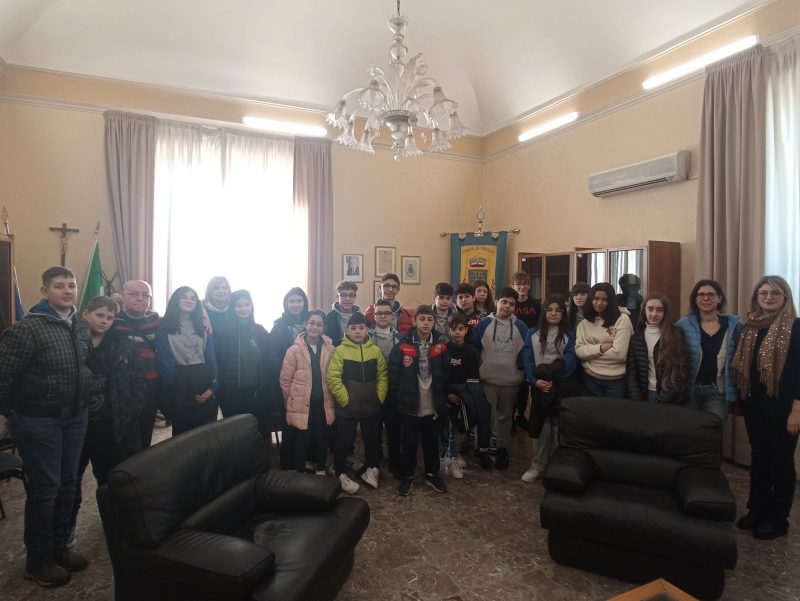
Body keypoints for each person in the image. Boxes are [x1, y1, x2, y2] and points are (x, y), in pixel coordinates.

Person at [0, 266, 91, 587]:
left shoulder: (79, 324)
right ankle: (38, 560)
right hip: (39, 421)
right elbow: (4, 377)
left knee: (69, 483)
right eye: (59, 286)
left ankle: (60, 547)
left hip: (75, 417)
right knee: (45, 490)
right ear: (44, 291)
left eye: (71, 285)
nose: (67, 291)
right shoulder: (28, 328)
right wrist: (15, 414)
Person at [69, 296, 145, 548]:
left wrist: (133, 407)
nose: (104, 321)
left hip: (112, 425)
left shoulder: (124, 345)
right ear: (86, 314)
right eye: (99, 315)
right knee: (70, 481)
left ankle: (115, 526)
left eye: (110, 318)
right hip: (77, 425)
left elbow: (138, 380)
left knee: (110, 478)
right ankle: (66, 533)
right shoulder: (72, 342)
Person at [732, 275, 800, 540]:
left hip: (785, 408)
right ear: (756, 297)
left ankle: (778, 518)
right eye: (763, 293)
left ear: (785, 297)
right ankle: (758, 509)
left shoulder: (795, 326)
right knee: (759, 456)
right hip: (755, 404)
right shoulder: (750, 325)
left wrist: (797, 410)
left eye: (775, 293)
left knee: (781, 460)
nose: (769, 297)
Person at [390, 306, 450, 496]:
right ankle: (407, 475)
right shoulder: (402, 347)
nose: (426, 323)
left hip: (433, 404)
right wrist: (400, 398)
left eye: (430, 320)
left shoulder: (441, 346)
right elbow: (394, 377)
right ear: (414, 321)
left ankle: (432, 474)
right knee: (409, 443)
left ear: (434, 323)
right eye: (422, 319)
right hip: (410, 405)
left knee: (431, 441)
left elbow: (446, 373)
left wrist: (442, 396)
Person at [327, 313, 388, 494]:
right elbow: (333, 378)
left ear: (367, 330)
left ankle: (372, 469)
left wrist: (379, 397)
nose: (358, 331)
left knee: (372, 440)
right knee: (344, 440)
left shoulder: (375, 351)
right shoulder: (340, 351)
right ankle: (338, 471)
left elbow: (383, 376)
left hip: (371, 405)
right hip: (347, 408)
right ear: (347, 330)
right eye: (353, 328)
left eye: (361, 328)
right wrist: (345, 400)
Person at [522, 295, 578, 482]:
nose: (553, 314)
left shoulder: (570, 334)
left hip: (560, 385)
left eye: (558, 310)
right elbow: (528, 359)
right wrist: (534, 380)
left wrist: (554, 380)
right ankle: (537, 465)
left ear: (564, 313)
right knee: (541, 428)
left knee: (558, 428)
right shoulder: (532, 333)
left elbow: (570, 362)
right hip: (540, 386)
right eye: (549, 310)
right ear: (544, 312)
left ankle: (555, 466)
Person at [474, 287, 529, 470]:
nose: (507, 306)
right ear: (497, 302)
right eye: (504, 302)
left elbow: (527, 350)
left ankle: (502, 449)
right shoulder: (484, 324)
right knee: (487, 415)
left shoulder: (521, 326)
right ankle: (482, 448)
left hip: (511, 381)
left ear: (515, 307)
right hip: (488, 379)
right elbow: (475, 348)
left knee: (505, 416)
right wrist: (478, 369)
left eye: (511, 304)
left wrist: (522, 367)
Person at [676, 279, 742, 425]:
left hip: (717, 393)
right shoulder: (683, 325)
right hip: (689, 392)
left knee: (712, 432)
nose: (706, 298)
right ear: (695, 299)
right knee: (687, 433)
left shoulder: (734, 326)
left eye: (711, 295)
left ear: (719, 298)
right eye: (701, 295)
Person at [156, 286, 218, 435]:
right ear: (176, 300)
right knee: (183, 440)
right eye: (184, 297)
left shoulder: (203, 325)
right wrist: (188, 392)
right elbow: (165, 366)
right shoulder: (164, 328)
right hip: (180, 392)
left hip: (205, 389)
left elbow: (211, 359)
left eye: (193, 298)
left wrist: (213, 388)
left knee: (209, 438)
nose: (189, 301)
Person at [280, 310, 335, 474]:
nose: (315, 327)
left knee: (322, 437)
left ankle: (320, 469)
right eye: (311, 323)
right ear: (305, 324)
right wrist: (290, 400)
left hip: (323, 403)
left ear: (324, 328)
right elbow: (285, 380)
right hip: (301, 403)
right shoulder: (294, 350)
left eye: (319, 324)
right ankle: (300, 472)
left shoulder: (330, 349)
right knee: (302, 437)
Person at [214, 290, 273, 435]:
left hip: (257, 394)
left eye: (247, 304)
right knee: (236, 435)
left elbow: (269, 360)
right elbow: (218, 361)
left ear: (252, 306)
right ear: (232, 308)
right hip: (232, 395)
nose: (243, 308)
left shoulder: (260, 331)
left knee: (258, 433)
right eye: (238, 305)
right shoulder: (223, 332)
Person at [113, 279, 160, 448]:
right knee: (125, 439)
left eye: (145, 295)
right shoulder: (112, 321)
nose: (140, 298)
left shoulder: (156, 319)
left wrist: (204, 316)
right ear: (123, 297)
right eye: (134, 294)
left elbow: (182, 315)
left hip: (151, 388)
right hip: (124, 391)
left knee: (145, 435)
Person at [444, 312, 493, 473]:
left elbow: (474, 377)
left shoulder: (471, 351)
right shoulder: (444, 350)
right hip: (448, 394)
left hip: (465, 393)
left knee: (465, 421)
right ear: (448, 330)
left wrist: (462, 394)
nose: (457, 332)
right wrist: (448, 394)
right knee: (449, 426)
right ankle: (449, 453)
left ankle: (460, 451)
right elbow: (440, 375)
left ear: (466, 330)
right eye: (454, 329)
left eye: (460, 329)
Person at [626, 292, 689, 403]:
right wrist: (637, 399)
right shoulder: (636, 337)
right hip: (643, 395)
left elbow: (680, 372)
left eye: (659, 310)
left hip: (669, 398)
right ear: (644, 310)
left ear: (665, 312)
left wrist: (660, 401)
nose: (654, 314)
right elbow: (631, 372)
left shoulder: (676, 335)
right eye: (650, 309)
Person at [575, 282, 633, 397]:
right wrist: (601, 348)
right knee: (592, 409)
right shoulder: (583, 324)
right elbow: (579, 352)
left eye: (605, 299)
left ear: (611, 301)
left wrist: (590, 354)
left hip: (616, 381)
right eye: (596, 298)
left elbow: (619, 355)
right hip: (590, 378)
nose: (599, 303)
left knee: (613, 410)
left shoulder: (622, 320)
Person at [369, 298, 404, 476]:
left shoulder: (401, 339)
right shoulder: (366, 336)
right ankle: (374, 461)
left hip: (393, 390)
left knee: (393, 428)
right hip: (372, 389)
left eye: (386, 313)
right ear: (374, 315)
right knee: (374, 428)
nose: (383, 316)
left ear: (392, 316)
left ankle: (395, 462)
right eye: (379, 313)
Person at [325, 280, 361, 346]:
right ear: (337, 297)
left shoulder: (360, 317)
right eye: (343, 295)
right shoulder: (330, 318)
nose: (347, 299)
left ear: (355, 297)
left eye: (351, 295)